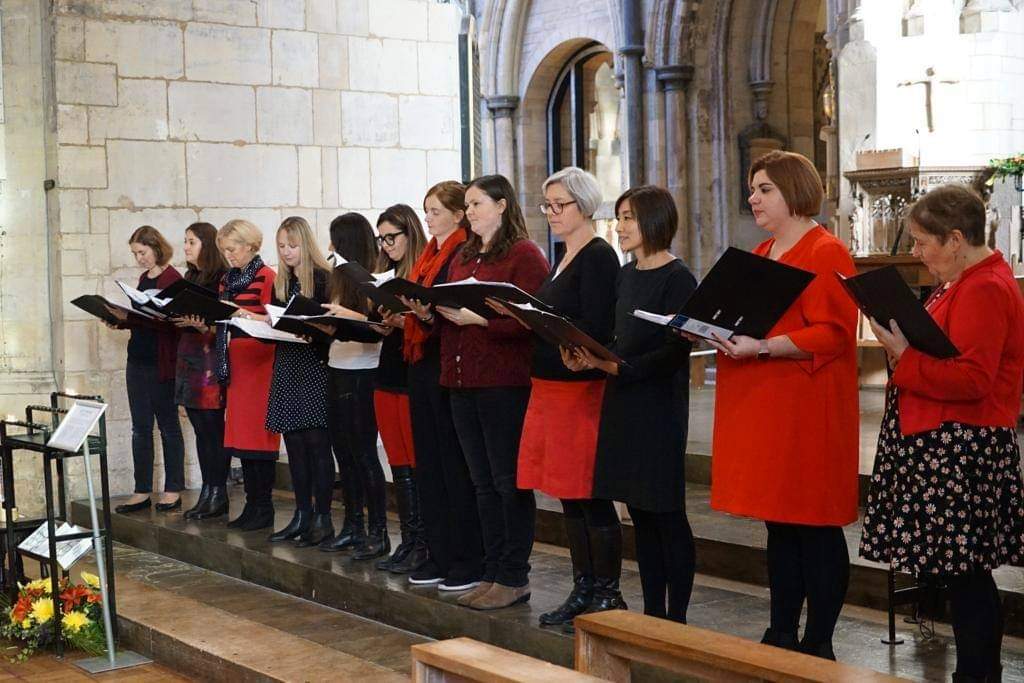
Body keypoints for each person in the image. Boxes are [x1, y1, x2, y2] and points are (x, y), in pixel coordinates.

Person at [860, 185, 1024, 682]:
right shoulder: (959, 281)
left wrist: (904, 357)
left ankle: (977, 674)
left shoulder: (985, 287)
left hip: (963, 448)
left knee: (967, 575)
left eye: (922, 241)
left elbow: (973, 380)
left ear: (955, 239)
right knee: (959, 573)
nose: (916, 252)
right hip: (944, 444)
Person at [708, 150, 858, 659]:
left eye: (765, 188)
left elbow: (834, 332)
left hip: (807, 408)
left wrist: (765, 346)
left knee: (814, 524)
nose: (753, 197)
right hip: (767, 404)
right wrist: (707, 328)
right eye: (753, 188)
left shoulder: (825, 251)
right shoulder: (765, 249)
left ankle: (818, 641)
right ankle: (781, 631)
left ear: (794, 190)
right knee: (780, 522)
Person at [492, 167, 619, 626]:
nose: (550, 213)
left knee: (588, 493)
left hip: (580, 388)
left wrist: (546, 323)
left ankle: (606, 591)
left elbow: (598, 324)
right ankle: (582, 587)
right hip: (550, 385)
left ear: (583, 205)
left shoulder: (599, 256)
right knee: (567, 495)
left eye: (559, 204)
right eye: (546, 205)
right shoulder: (564, 256)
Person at [564, 185, 696, 624]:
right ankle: (652, 611)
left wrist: (620, 368)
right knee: (639, 513)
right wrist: (588, 356)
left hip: (658, 407)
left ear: (654, 220)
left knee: (666, 514)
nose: (619, 226)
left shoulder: (678, 278)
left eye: (628, 218)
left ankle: (676, 617)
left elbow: (675, 352)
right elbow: (615, 336)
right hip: (622, 402)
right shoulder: (626, 273)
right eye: (619, 217)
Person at [435, 174, 549, 610]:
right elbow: (452, 309)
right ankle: (492, 570)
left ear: (502, 205)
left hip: (503, 384)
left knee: (507, 482)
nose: (469, 212)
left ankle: (514, 575)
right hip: (461, 379)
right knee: (482, 484)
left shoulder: (523, 255)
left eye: (476, 204)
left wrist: (482, 321)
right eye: (466, 205)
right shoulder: (464, 254)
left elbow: (534, 320)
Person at [399, 182, 485, 591]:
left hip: (445, 364)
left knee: (453, 465)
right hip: (422, 363)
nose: (429, 219)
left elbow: (457, 307)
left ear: (457, 215)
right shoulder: (429, 253)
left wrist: (427, 316)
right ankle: (438, 552)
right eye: (426, 211)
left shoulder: (460, 252)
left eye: (435, 211)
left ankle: (465, 556)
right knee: (429, 464)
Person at [318, 213, 389, 560]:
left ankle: (378, 531)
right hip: (337, 366)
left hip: (364, 371)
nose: (330, 246)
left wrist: (344, 322)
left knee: (363, 454)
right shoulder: (338, 277)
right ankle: (352, 526)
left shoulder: (373, 278)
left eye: (335, 239)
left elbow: (378, 331)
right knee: (343, 453)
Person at [266, 217, 336, 547]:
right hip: (287, 364)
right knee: (293, 446)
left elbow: (331, 328)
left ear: (305, 244)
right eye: (281, 246)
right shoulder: (282, 282)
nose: (286, 252)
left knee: (317, 445)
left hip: (314, 366)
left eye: (292, 245)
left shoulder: (323, 279)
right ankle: (302, 514)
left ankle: (323, 517)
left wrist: (311, 331)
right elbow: (276, 323)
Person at [109, 226, 186, 514]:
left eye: (142, 252)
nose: (139, 258)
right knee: (140, 428)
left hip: (161, 361)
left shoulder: (173, 279)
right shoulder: (144, 279)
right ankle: (141, 490)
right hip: (138, 359)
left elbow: (174, 324)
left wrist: (140, 318)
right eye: (135, 254)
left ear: (156, 247)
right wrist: (121, 320)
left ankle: (173, 489)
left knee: (168, 426)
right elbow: (143, 319)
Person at [372, 205, 429, 573]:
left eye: (391, 237)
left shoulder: (423, 272)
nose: (386, 245)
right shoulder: (387, 276)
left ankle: (424, 542)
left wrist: (404, 321)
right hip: (387, 372)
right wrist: (383, 322)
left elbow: (431, 324)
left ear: (410, 233)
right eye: (381, 239)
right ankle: (408, 540)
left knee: (416, 462)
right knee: (398, 463)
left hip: (412, 376)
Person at [216, 219, 281, 531]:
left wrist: (244, 314)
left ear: (250, 245)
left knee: (260, 438)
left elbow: (275, 319)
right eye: (224, 250)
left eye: (232, 248)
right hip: (237, 363)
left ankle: (264, 506)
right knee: (242, 438)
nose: (228, 255)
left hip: (261, 361)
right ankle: (251, 504)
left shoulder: (267, 276)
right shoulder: (227, 279)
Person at [171, 223, 229, 520]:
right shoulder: (190, 277)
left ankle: (219, 492)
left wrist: (203, 325)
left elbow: (225, 323)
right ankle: (208, 490)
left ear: (207, 244)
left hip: (209, 357)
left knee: (212, 428)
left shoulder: (221, 279)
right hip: (189, 355)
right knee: (199, 429)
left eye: (191, 241)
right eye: (185, 241)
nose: (185, 247)